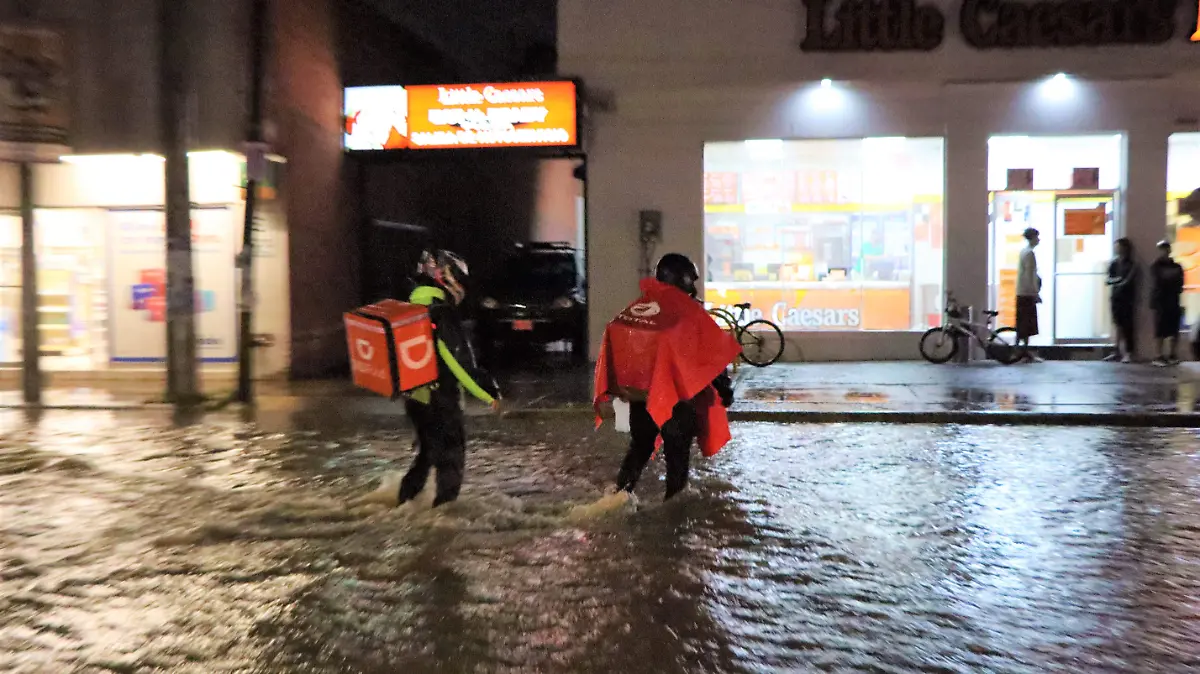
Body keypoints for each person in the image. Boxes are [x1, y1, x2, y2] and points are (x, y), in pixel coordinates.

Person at [599, 253, 738, 502]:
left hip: (641, 398)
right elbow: (710, 355)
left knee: (640, 447)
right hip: (676, 400)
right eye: (690, 280)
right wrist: (724, 389)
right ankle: (674, 507)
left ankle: (620, 497)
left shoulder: (640, 308)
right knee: (677, 454)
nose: (694, 287)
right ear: (681, 280)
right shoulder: (688, 312)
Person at [397, 249, 501, 508]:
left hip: (415, 397)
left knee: (427, 454)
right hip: (440, 398)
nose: (463, 292)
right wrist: (489, 393)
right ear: (446, 279)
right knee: (452, 457)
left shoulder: (411, 308)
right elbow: (459, 363)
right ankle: (445, 516)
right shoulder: (441, 312)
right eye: (459, 282)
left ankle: (403, 504)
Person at [1150, 240, 1185, 366]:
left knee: (1174, 329)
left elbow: (1180, 283)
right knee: (1160, 329)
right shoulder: (1156, 265)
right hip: (1160, 301)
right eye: (1162, 249)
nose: (1164, 252)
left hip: (1173, 300)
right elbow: (1159, 280)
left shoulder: (1176, 266)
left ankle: (1172, 354)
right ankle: (1158, 355)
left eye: (1166, 249)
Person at [1105, 238, 1140, 363]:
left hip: (1127, 299)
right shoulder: (1114, 263)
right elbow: (1108, 280)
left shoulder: (1132, 264)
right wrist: (1117, 280)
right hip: (1116, 298)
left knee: (1127, 326)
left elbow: (1127, 281)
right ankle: (1116, 351)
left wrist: (1117, 281)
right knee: (1117, 325)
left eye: (1119, 246)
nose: (1117, 249)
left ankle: (1129, 352)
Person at [1016, 227, 1043, 362]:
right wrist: (1035, 293)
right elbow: (1030, 275)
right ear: (1032, 238)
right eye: (1037, 237)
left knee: (1022, 323)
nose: (1038, 239)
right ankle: (1024, 352)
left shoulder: (1023, 252)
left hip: (1022, 292)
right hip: (1027, 293)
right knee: (1027, 323)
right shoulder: (1029, 254)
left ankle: (1021, 352)